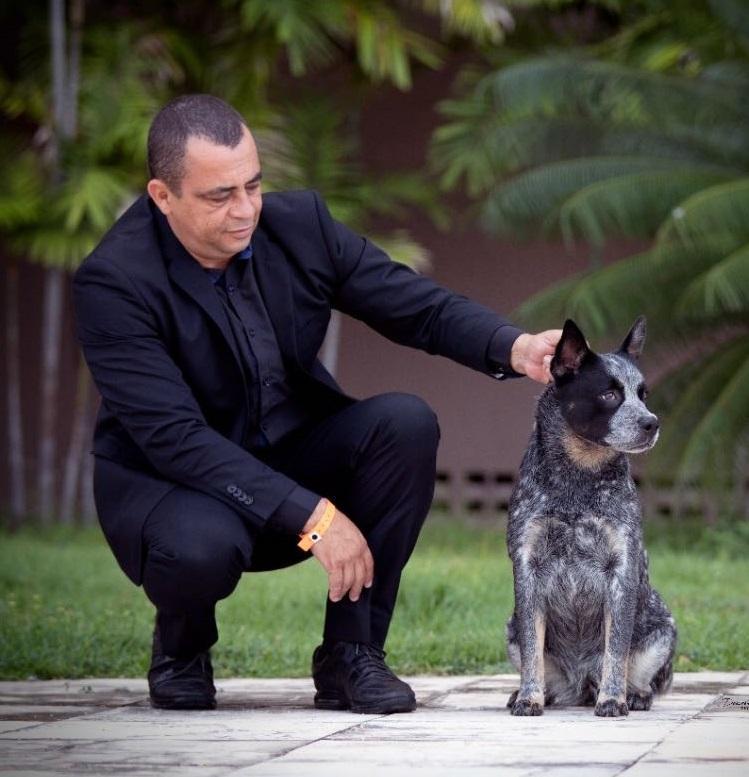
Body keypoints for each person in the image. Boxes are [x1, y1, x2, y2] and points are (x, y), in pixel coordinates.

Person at [72, 94, 561, 714]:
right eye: (219, 196)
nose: (245, 209)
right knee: (200, 548)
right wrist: (316, 518)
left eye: (253, 185)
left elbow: (410, 303)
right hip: (177, 487)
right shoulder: (114, 281)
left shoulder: (298, 226)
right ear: (162, 196)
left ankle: (350, 658)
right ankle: (181, 646)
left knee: (404, 424)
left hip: (289, 455)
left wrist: (514, 347)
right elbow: (174, 439)